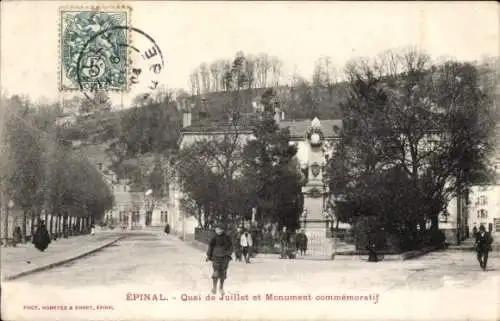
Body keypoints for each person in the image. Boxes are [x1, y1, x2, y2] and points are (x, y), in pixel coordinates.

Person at [206, 223, 233, 295]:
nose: (218, 230)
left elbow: (231, 246)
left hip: (225, 258)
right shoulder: (214, 237)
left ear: (223, 230)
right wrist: (208, 255)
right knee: (216, 272)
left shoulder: (227, 237)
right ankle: (214, 288)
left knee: (223, 273)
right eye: (217, 229)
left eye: (219, 229)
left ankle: (221, 288)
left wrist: (228, 254)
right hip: (216, 257)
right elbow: (210, 247)